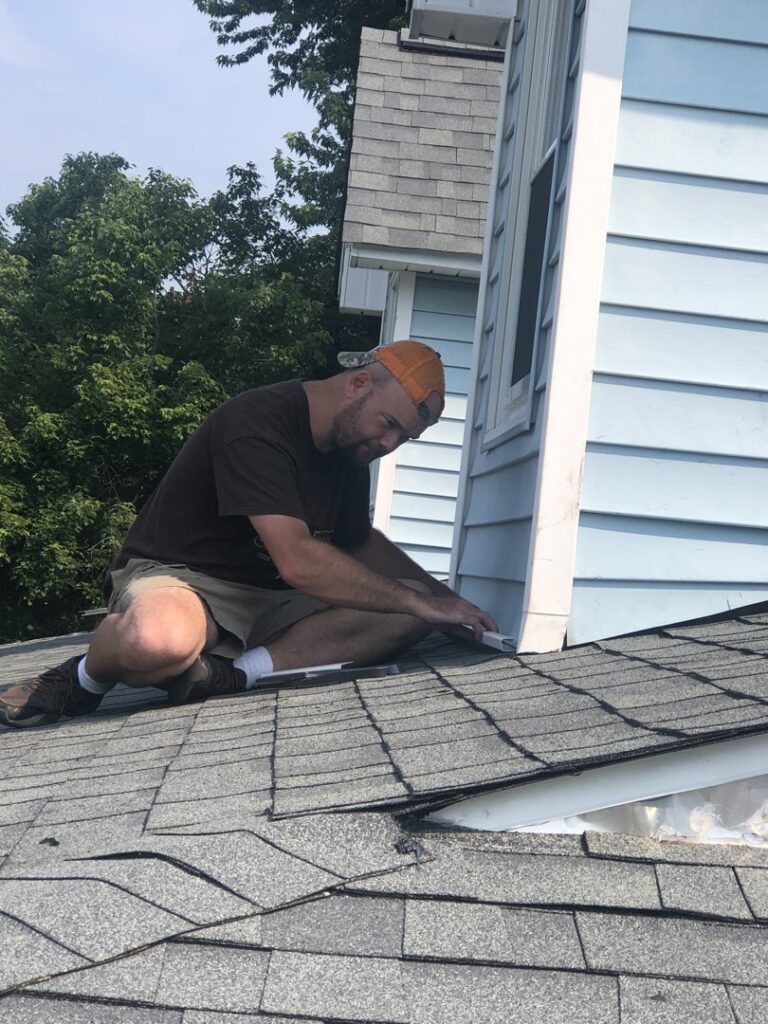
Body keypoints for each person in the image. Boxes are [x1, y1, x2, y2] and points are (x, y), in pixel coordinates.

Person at [0, 340, 498, 729]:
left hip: (275, 600)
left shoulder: (352, 449)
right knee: (156, 642)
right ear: (358, 383)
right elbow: (299, 560)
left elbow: (357, 542)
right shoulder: (259, 421)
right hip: (190, 581)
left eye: (403, 438)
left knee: (409, 607)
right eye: (389, 424)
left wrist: (446, 604)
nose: (389, 443)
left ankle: (231, 674)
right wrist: (423, 604)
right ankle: (85, 677)